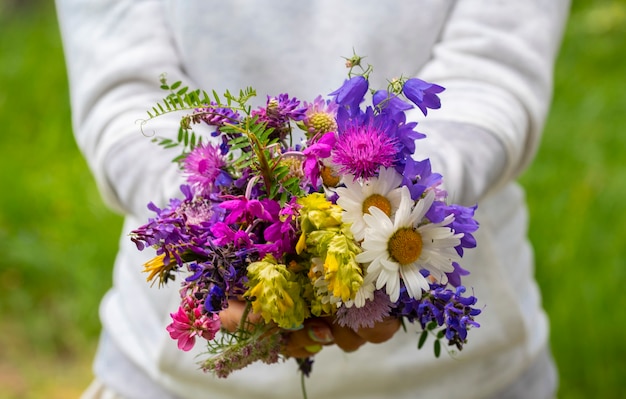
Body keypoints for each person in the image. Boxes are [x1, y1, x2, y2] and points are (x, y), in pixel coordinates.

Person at [55, 1, 570, 398]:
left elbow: (496, 66)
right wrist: (218, 239)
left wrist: (397, 211)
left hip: (462, 379)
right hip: (174, 379)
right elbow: (122, 89)